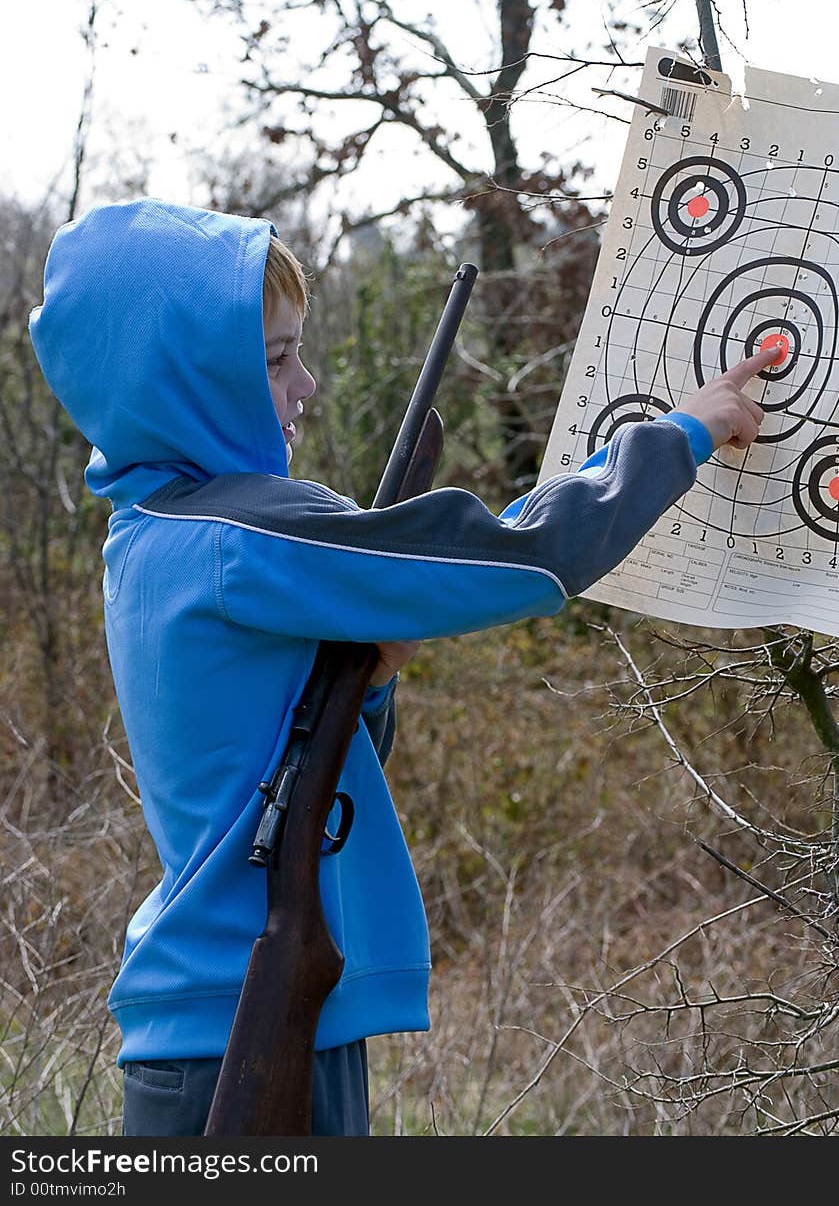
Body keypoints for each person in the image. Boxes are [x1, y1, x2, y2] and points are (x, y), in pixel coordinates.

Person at [28, 198, 781, 1137]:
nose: (306, 384)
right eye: (272, 358)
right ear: (182, 377)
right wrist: (682, 434)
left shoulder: (147, 533)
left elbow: (292, 755)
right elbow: (517, 556)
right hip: (238, 1029)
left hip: (225, 1021)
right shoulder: (238, 535)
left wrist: (369, 682)